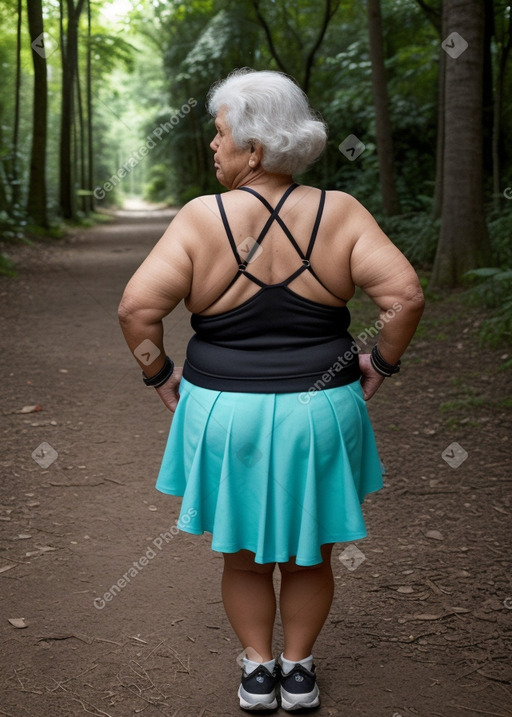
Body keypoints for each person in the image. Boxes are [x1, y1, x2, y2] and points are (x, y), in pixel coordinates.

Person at [118, 68, 424, 712]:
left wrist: (159, 375)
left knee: (246, 558)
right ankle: (301, 670)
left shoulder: (200, 220)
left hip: (226, 412)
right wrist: (381, 366)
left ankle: (259, 672)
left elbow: (135, 312)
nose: (213, 144)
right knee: (312, 554)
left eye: (221, 132)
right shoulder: (340, 212)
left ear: (254, 149)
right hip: (324, 408)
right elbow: (403, 297)